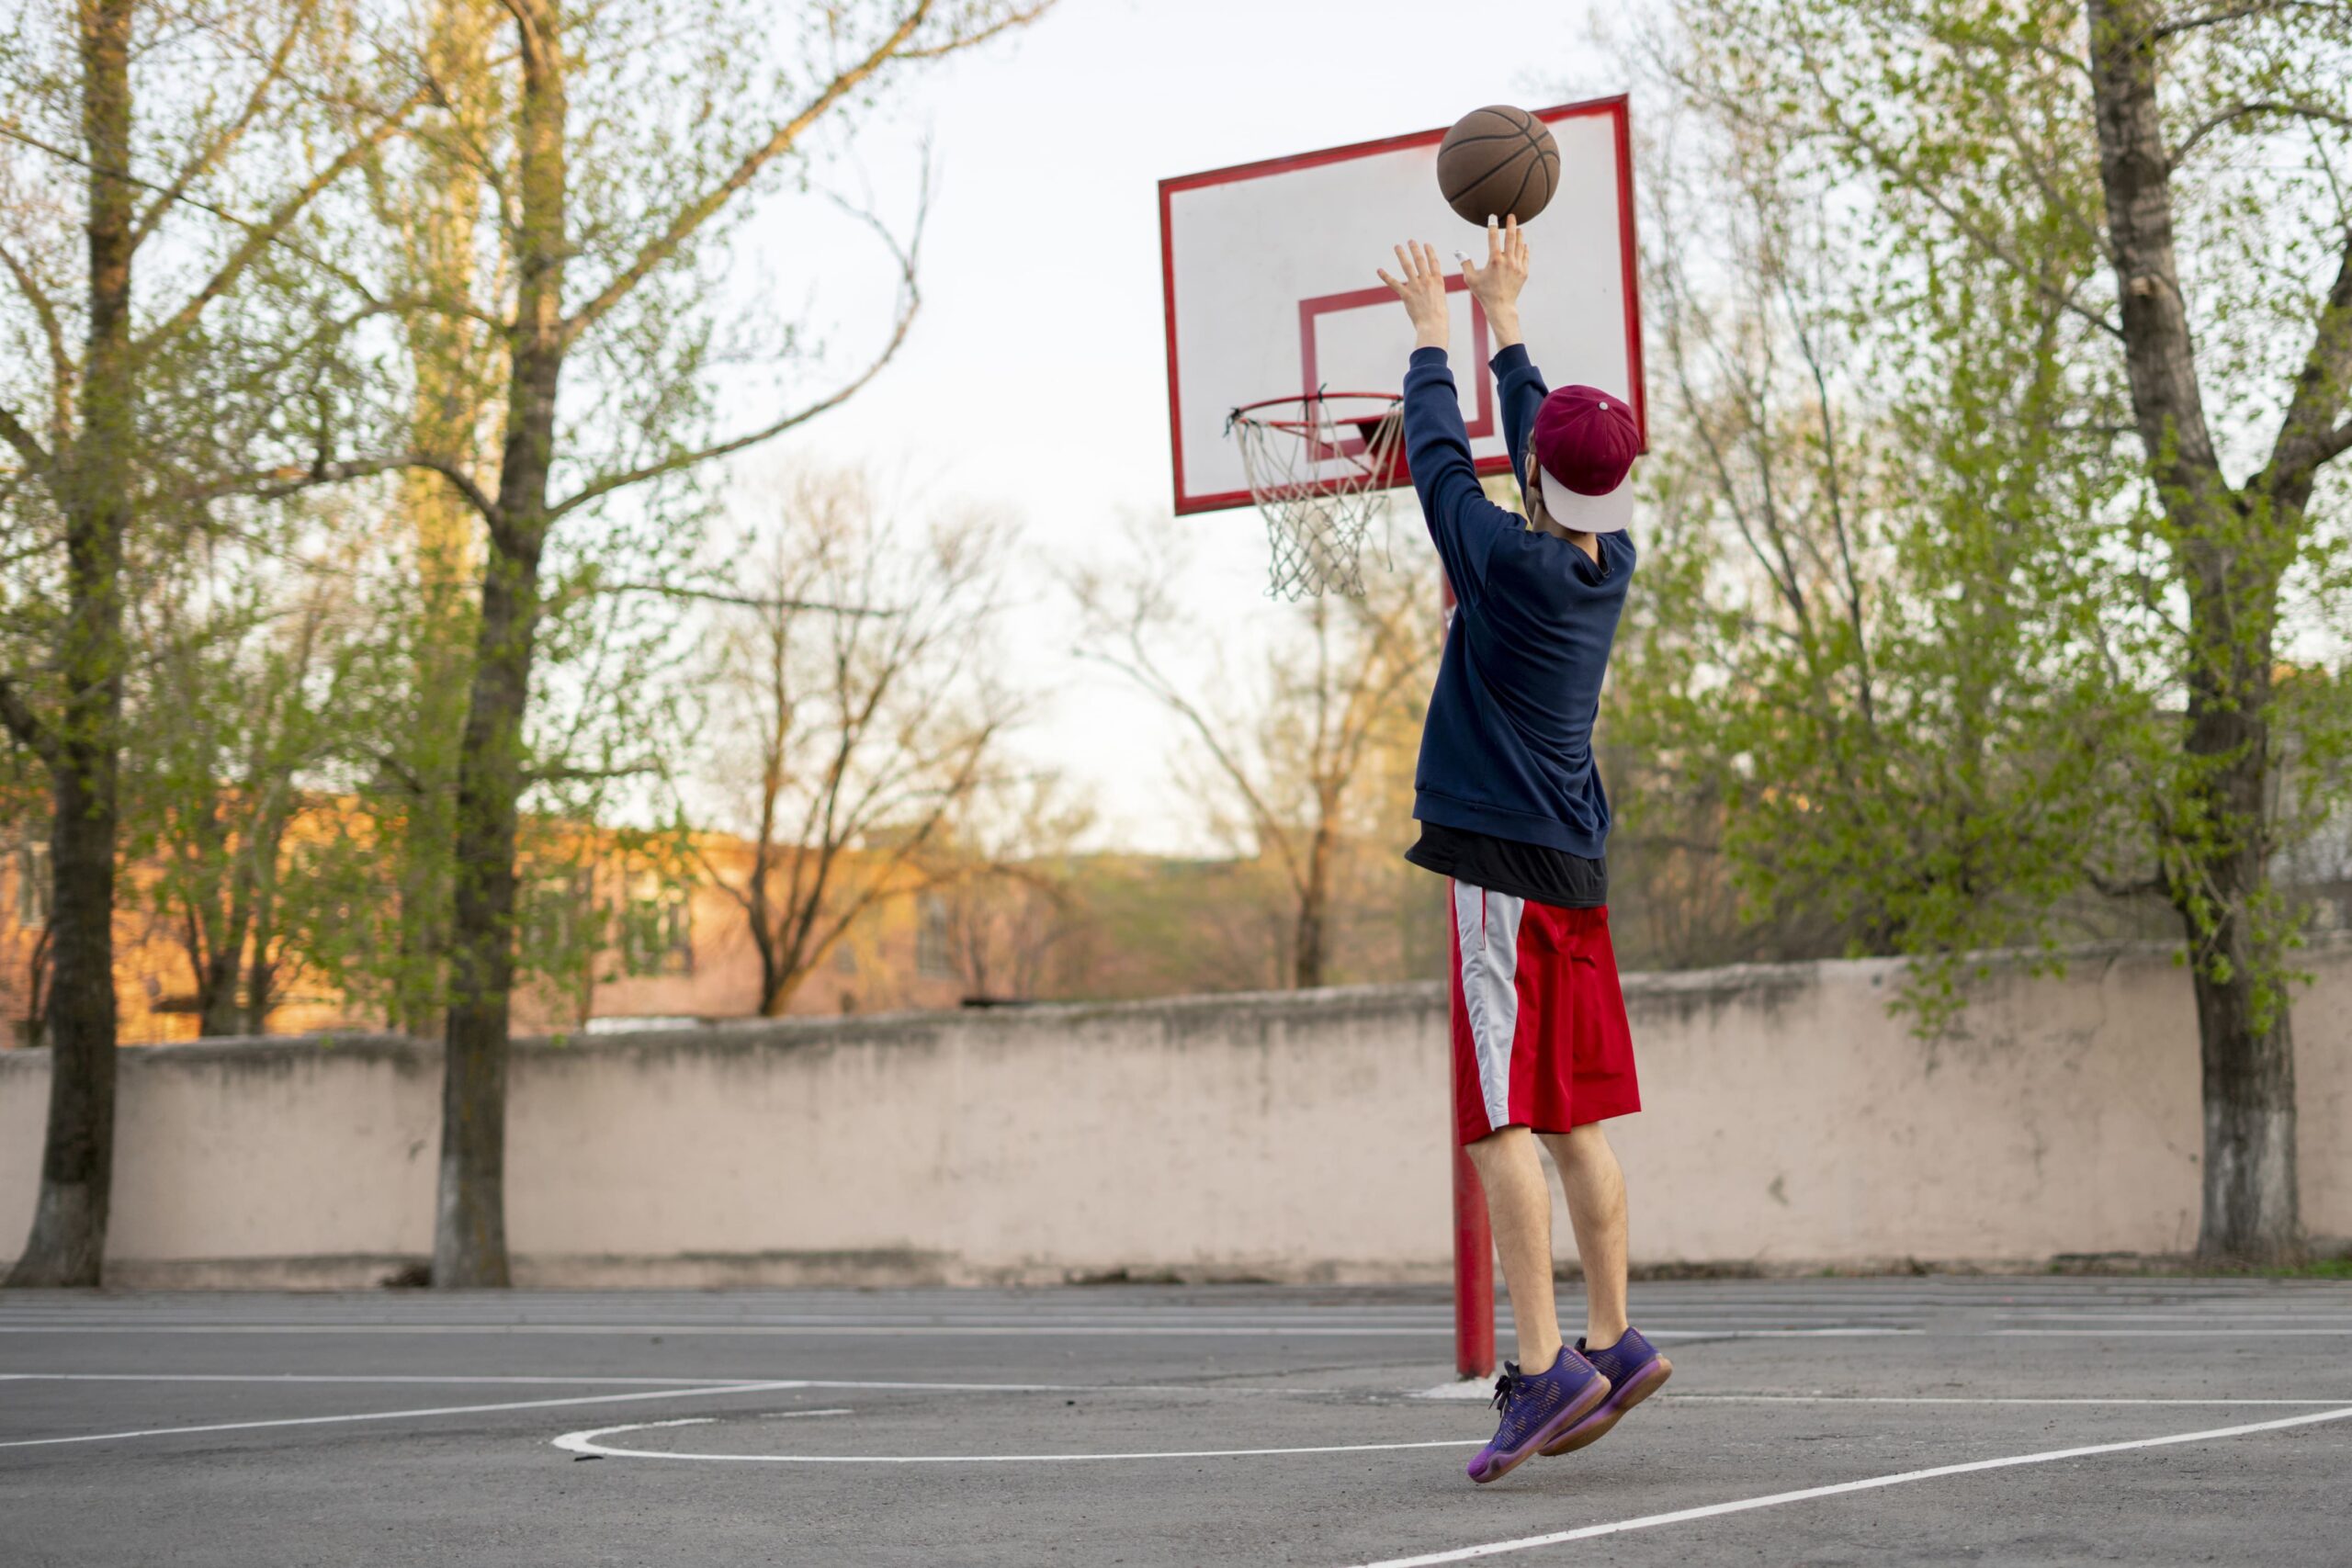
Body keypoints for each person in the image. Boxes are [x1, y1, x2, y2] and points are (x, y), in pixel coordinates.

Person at [1375, 216, 1670, 1485]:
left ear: (1540, 484)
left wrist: (1432, 338)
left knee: (1501, 1119)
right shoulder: (1607, 561)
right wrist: (1507, 324)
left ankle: (1544, 1364)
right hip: (1575, 873)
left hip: (1498, 871)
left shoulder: (1503, 560)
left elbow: (1445, 464)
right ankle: (1614, 1336)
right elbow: (1542, 445)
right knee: (1576, 1117)